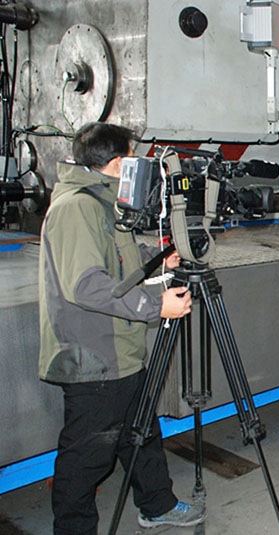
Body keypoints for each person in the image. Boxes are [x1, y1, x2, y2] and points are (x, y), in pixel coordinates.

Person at [38, 122, 204, 533]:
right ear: (116, 164)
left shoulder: (103, 200)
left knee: (141, 433)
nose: (137, 164)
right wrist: (156, 306)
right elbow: (86, 285)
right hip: (95, 358)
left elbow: (114, 255)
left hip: (121, 352)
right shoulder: (77, 208)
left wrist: (156, 256)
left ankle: (157, 504)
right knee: (87, 456)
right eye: (131, 156)